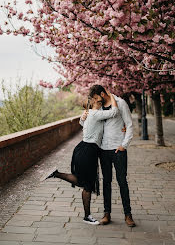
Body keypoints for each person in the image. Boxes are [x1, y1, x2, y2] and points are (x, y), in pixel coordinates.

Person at [42, 92, 119, 225]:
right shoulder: (95, 114)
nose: (101, 97)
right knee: (87, 185)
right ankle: (87, 216)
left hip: (83, 149)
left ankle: (56, 174)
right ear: (94, 101)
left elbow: (83, 123)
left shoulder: (91, 113)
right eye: (98, 97)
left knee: (83, 181)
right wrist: (112, 95)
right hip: (88, 151)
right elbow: (114, 112)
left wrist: (82, 118)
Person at [81, 85, 136, 227]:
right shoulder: (98, 108)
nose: (94, 100)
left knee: (122, 181)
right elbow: (89, 124)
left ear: (102, 94)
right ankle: (107, 213)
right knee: (106, 182)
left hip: (118, 149)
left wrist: (124, 145)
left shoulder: (120, 103)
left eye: (96, 98)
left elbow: (129, 125)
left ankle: (128, 215)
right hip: (103, 150)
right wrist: (83, 118)